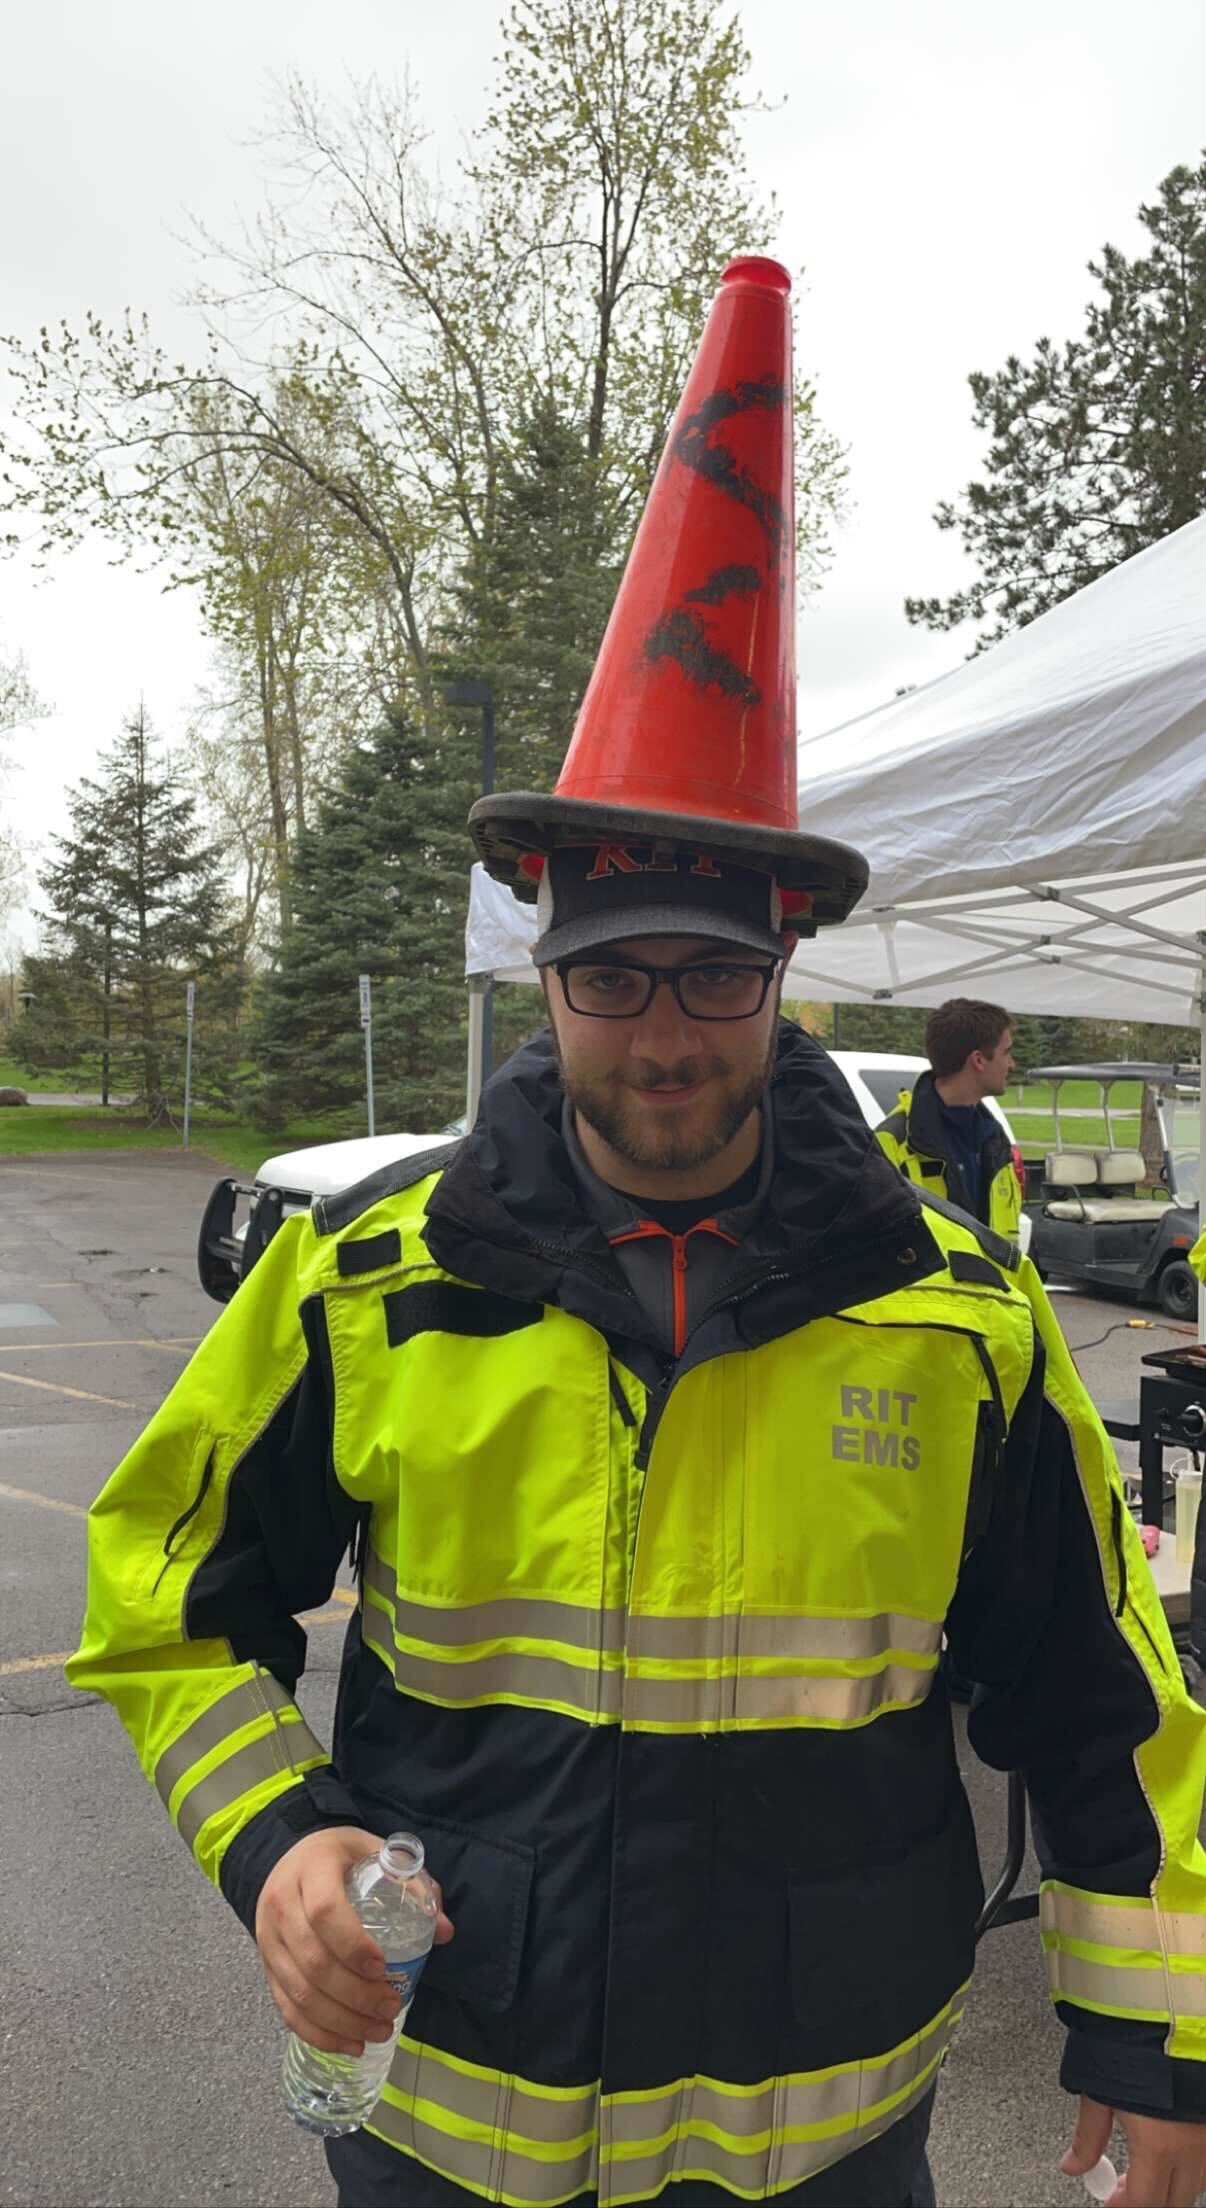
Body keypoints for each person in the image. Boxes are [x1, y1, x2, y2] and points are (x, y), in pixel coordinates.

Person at [68, 259, 1206, 2208]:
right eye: (614, 980)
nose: (665, 1031)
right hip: (441, 2139)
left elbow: (1099, 1699)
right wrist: (282, 1851)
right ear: (546, 981)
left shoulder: (961, 1322)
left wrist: (1152, 2042)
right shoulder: (368, 1282)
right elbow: (166, 1606)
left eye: (711, 977)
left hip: (830, 2150)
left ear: (785, 981)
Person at [875, 999, 1024, 1241]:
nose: (1011, 1064)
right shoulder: (893, 1141)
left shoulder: (995, 1139)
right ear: (978, 1060)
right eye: (1006, 1053)